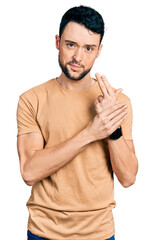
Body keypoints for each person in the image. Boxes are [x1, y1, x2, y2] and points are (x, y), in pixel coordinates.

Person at [16, 5, 138, 240]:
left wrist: (112, 130)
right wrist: (92, 132)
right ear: (57, 42)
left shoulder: (118, 102)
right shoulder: (32, 99)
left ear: (99, 50)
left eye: (88, 48)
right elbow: (29, 172)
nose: (78, 58)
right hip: (44, 232)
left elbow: (128, 178)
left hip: (99, 233)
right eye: (71, 44)